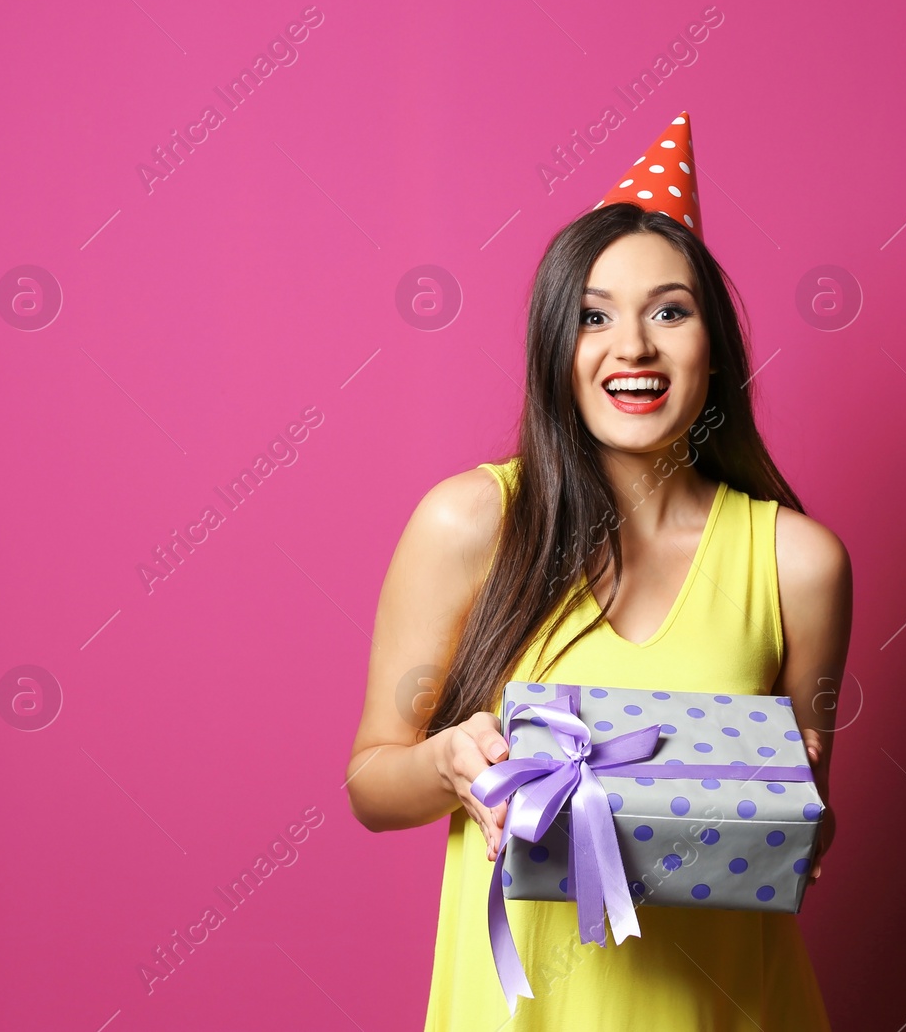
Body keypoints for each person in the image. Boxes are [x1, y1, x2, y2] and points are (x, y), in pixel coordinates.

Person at [345, 112, 851, 1030]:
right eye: (593, 315)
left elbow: (802, 837)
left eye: (670, 310)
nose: (633, 347)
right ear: (553, 345)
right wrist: (449, 762)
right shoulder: (470, 523)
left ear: (714, 346)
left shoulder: (797, 562)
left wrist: (801, 809)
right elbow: (370, 781)